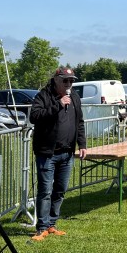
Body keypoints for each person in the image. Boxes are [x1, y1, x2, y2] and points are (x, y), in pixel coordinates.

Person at [28, 66, 87, 241]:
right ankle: (42, 227)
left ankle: (52, 224)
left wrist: (82, 144)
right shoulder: (43, 96)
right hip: (48, 153)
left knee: (60, 190)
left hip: (67, 153)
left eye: (71, 81)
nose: (69, 84)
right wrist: (57, 105)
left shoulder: (74, 97)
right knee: (45, 191)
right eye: (65, 80)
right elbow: (34, 116)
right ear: (56, 80)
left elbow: (79, 122)